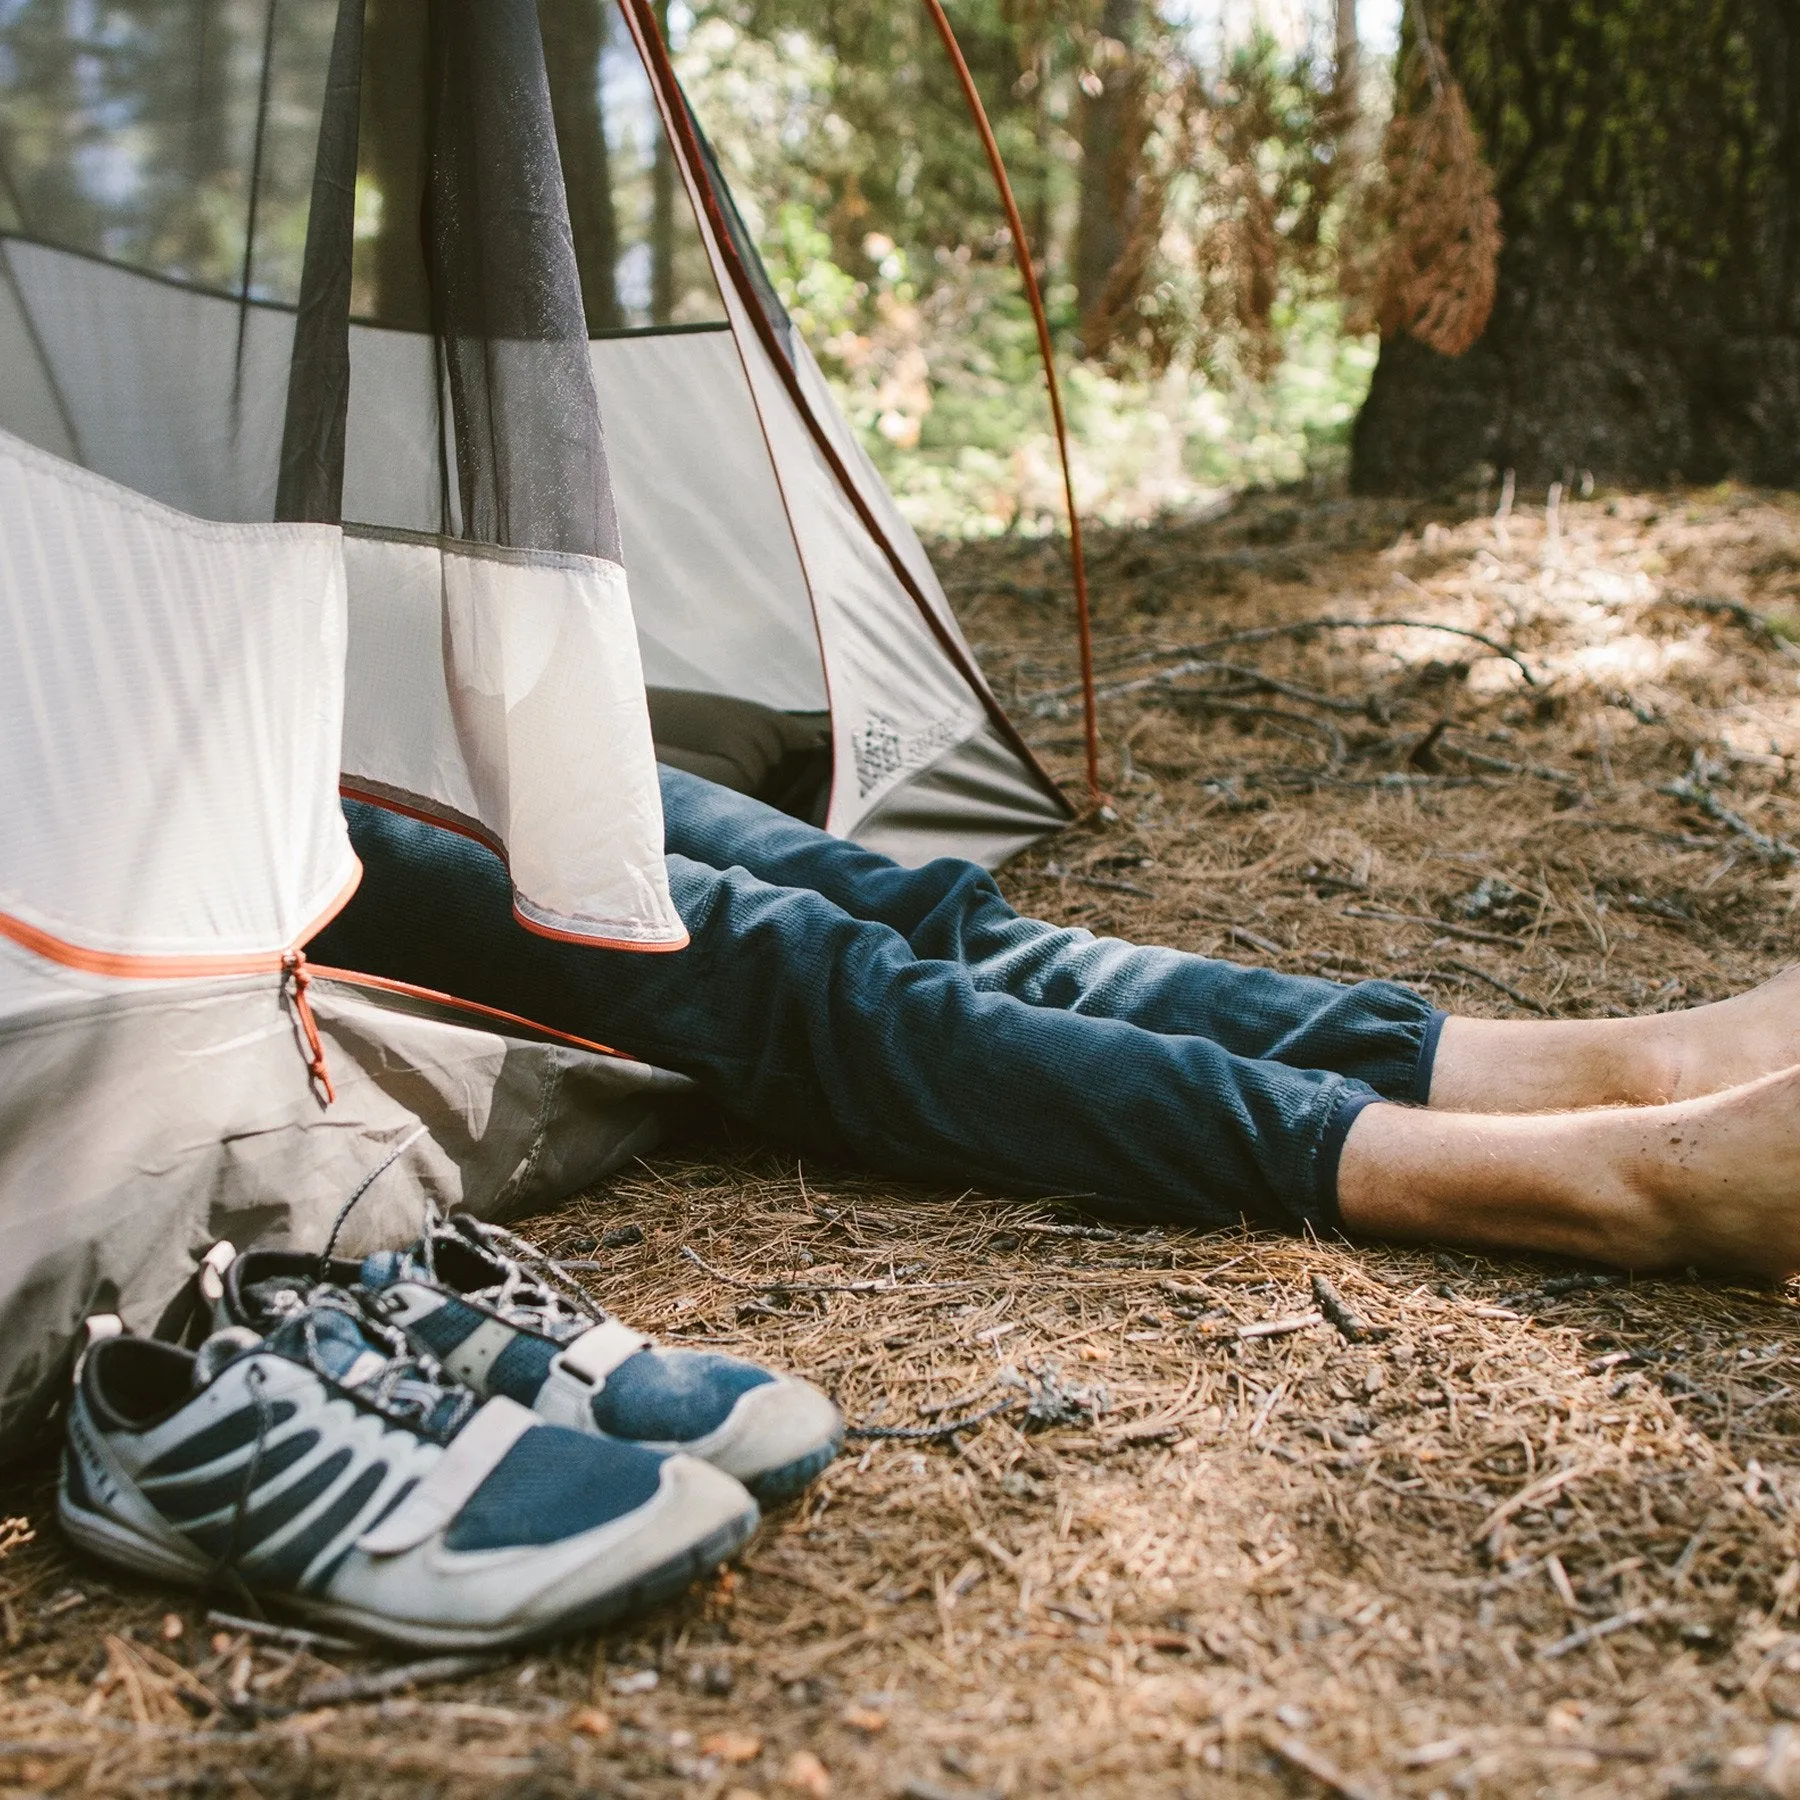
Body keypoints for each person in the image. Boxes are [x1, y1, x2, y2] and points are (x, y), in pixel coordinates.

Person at [310, 764, 1800, 1281]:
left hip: (336, 714)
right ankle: (1602, 1183)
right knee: (802, 972)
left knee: (919, 914)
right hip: (217, 835)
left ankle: (1617, 1069)